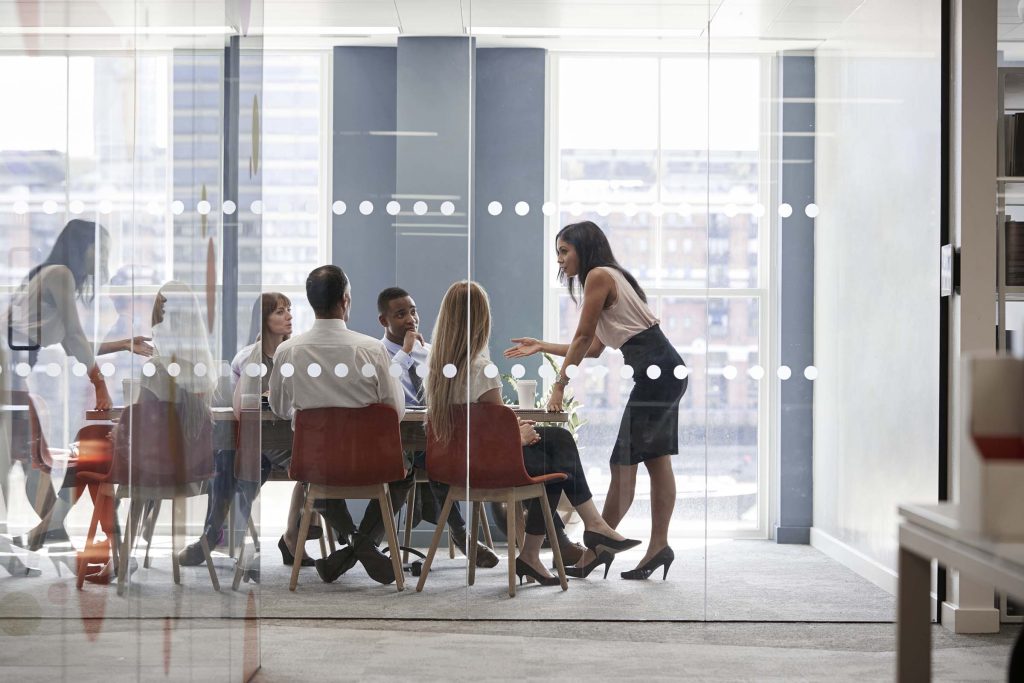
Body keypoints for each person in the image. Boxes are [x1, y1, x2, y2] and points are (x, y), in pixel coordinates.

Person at [505, 221, 687, 580]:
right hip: (663, 370)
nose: (559, 260)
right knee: (656, 461)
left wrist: (559, 386)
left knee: (623, 464)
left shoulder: (598, 276)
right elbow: (592, 348)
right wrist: (542, 346)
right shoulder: (611, 278)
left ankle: (597, 549)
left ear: (583, 249)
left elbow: (583, 335)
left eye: (564, 251)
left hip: (656, 373)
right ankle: (655, 547)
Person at [427, 281, 636, 585]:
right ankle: (575, 533)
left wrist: (514, 432)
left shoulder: (437, 370)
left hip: (455, 465)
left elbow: (475, 429)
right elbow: (494, 436)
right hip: (487, 466)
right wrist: (517, 437)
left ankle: (568, 537)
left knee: (558, 444)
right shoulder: (482, 369)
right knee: (557, 457)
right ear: (483, 320)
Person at [3, 219, 150, 553]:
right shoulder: (60, 274)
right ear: (83, 246)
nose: (104, 257)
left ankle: (48, 527)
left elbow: (72, 343)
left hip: (13, 371)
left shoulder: (52, 275)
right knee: (32, 455)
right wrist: (99, 382)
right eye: (101, 249)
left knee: (31, 455)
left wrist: (123, 343)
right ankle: (49, 527)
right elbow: (74, 337)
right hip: (9, 370)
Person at [269, 265, 408, 585]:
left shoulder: (287, 351)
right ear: (346, 300)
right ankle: (365, 546)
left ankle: (353, 547)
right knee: (406, 471)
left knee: (314, 473)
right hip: (373, 464)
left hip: (315, 465)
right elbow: (395, 412)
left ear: (310, 302)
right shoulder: (372, 350)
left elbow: (278, 408)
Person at [177, 292, 313, 575]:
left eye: (288, 310)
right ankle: (219, 535)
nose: (289, 316)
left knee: (236, 460)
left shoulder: (298, 355)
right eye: (279, 311)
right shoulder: (246, 357)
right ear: (262, 319)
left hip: (294, 442)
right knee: (229, 457)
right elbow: (238, 408)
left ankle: (215, 534)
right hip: (259, 443)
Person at [377, 286, 499, 569]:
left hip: (436, 436)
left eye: (413, 311)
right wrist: (405, 352)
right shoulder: (378, 354)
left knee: (438, 454)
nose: (411, 319)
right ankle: (461, 534)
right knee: (430, 459)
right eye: (400, 314)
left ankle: (460, 533)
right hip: (397, 442)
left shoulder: (434, 354)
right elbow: (384, 388)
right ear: (384, 321)